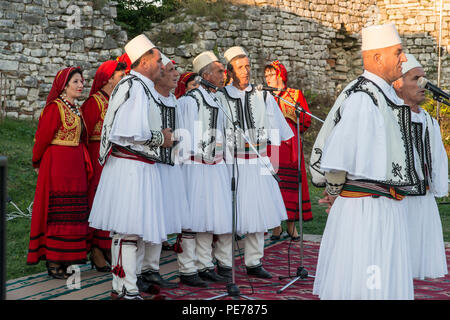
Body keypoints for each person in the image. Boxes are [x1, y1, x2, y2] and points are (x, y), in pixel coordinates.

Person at [310, 23, 421, 299]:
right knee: (368, 284)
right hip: (365, 213)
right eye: (398, 52)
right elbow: (338, 158)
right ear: (377, 57)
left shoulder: (381, 95)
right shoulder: (362, 97)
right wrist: (336, 192)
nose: (403, 58)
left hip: (382, 208)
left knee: (380, 283)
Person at [88, 34, 176, 300]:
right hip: (130, 168)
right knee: (129, 230)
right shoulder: (134, 86)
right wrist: (163, 138)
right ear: (145, 61)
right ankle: (126, 290)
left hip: (137, 167)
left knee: (132, 230)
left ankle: (126, 287)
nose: (162, 65)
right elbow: (128, 131)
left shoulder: (138, 85)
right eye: (158, 60)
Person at [215, 46, 293, 279]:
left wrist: (273, 164)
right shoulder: (220, 97)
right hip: (232, 162)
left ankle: (254, 261)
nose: (246, 71)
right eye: (240, 68)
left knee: (259, 211)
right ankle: (224, 262)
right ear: (230, 71)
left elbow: (277, 131)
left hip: (259, 161)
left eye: (248, 66)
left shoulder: (264, 95)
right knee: (231, 213)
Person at [27, 67, 91, 279]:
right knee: (58, 211)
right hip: (57, 166)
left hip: (75, 166)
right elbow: (43, 137)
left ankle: (68, 258)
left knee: (73, 211)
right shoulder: (55, 108)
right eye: (75, 82)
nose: (81, 85)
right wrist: (37, 161)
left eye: (81, 81)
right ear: (64, 86)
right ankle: (54, 260)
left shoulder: (77, 109)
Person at [176, 51, 232, 287]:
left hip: (214, 166)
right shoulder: (189, 101)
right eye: (220, 71)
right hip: (194, 167)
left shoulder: (218, 100)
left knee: (208, 217)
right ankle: (187, 268)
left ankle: (205, 264)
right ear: (206, 73)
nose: (224, 75)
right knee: (191, 218)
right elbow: (181, 138)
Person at [393, 53, 448, 280]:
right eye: (415, 79)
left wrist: (439, 186)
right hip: (397, 199)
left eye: (423, 79)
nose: (422, 85)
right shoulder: (389, 116)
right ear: (398, 83)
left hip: (422, 197)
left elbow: (438, 157)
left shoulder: (428, 120)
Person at [80, 60, 127, 272]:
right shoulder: (93, 103)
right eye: (120, 76)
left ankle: (106, 245)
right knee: (97, 200)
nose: (124, 79)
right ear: (108, 78)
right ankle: (95, 247)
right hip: (97, 157)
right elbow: (83, 134)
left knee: (113, 200)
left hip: (114, 156)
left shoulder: (118, 100)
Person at [264, 60, 313, 241]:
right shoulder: (264, 97)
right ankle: (276, 227)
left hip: (290, 145)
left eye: (271, 74)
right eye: (266, 75)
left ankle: (291, 227)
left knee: (290, 185)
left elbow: (306, 120)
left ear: (280, 75)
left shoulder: (294, 95)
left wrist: (296, 118)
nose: (268, 78)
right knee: (273, 184)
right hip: (272, 147)